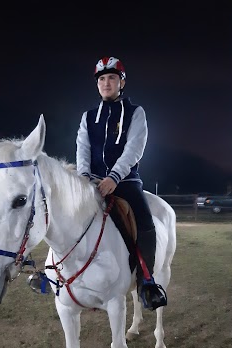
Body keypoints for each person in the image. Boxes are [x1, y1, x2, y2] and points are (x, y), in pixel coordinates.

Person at [76, 56, 167, 311]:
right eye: (102, 79)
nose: (106, 83)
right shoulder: (88, 117)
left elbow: (134, 148)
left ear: (121, 82)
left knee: (146, 224)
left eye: (112, 78)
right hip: (92, 183)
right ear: (97, 84)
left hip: (125, 181)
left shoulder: (136, 113)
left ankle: (146, 282)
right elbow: (82, 148)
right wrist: (84, 177)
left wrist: (114, 177)